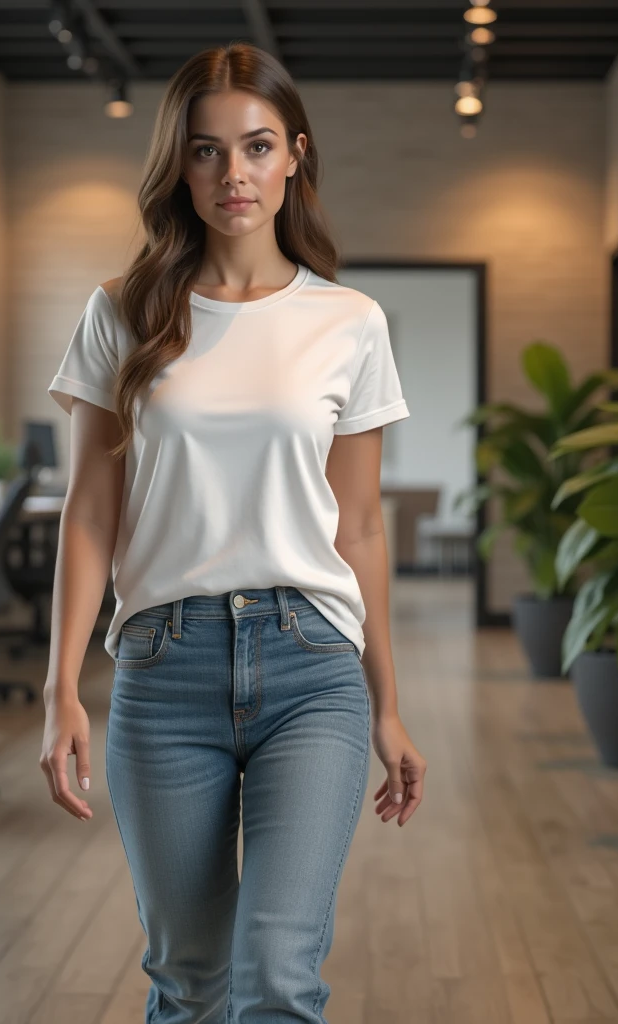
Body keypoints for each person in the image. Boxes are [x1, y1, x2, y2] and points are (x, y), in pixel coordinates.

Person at [40, 41, 426, 1024]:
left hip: (312, 670)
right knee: (192, 981)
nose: (232, 174)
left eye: (256, 147)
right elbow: (90, 510)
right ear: (179, 166)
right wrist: (59, 691)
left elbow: (363, 528)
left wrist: (387, 704)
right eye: (205, 152)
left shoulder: (349, 321)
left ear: (294, 155)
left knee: (279, 978)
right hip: (163, 669)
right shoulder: (120, 314)